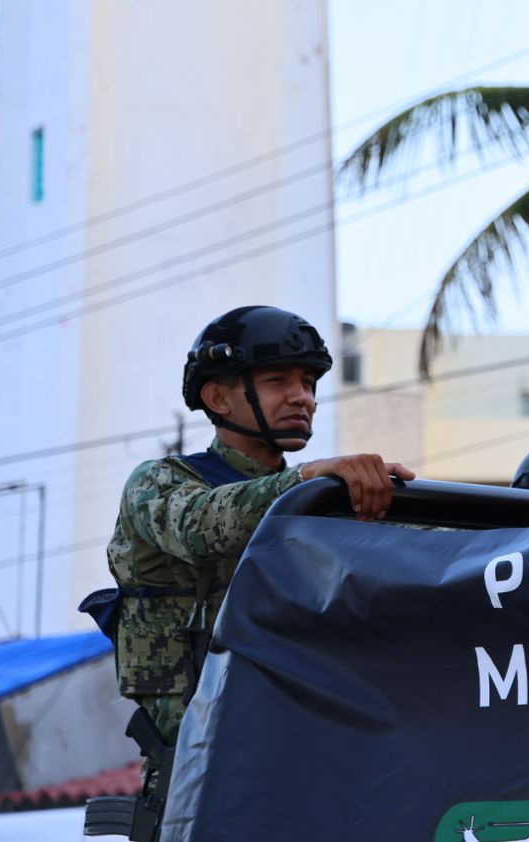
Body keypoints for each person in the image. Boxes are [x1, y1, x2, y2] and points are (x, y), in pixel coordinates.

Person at [102, 305, 415, 777]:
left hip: (306, 754)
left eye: (309, 384)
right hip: (200, 774)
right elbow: (200, 526)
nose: (302, 398)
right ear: (218, 398)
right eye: (277, 382)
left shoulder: (319, 498)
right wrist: (308, 480)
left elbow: (431, 557)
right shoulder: (160, 482)